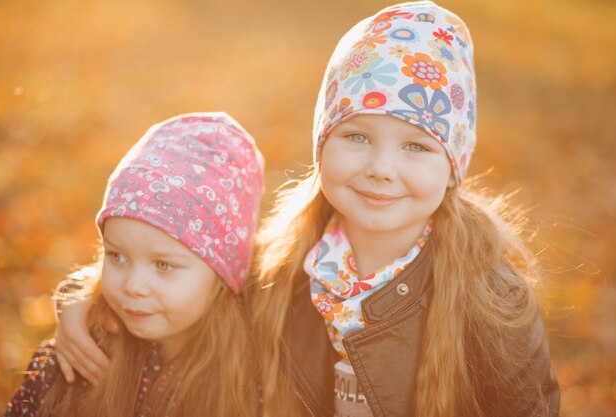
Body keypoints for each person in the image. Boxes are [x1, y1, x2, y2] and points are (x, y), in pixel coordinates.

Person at [51, 2, 560, 416]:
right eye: (357, 136)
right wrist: (82, 300)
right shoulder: (282, 269)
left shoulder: (490, 298)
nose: (382, 168)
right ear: (322, 146)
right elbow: (184, 280)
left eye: (416, 146)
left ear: (452, 167)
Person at [4, 112, 264, 417]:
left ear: (223, 273)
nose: (132, 286)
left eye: (163, 265)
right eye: (117, 256)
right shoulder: (75, 359)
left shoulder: (256, 378)